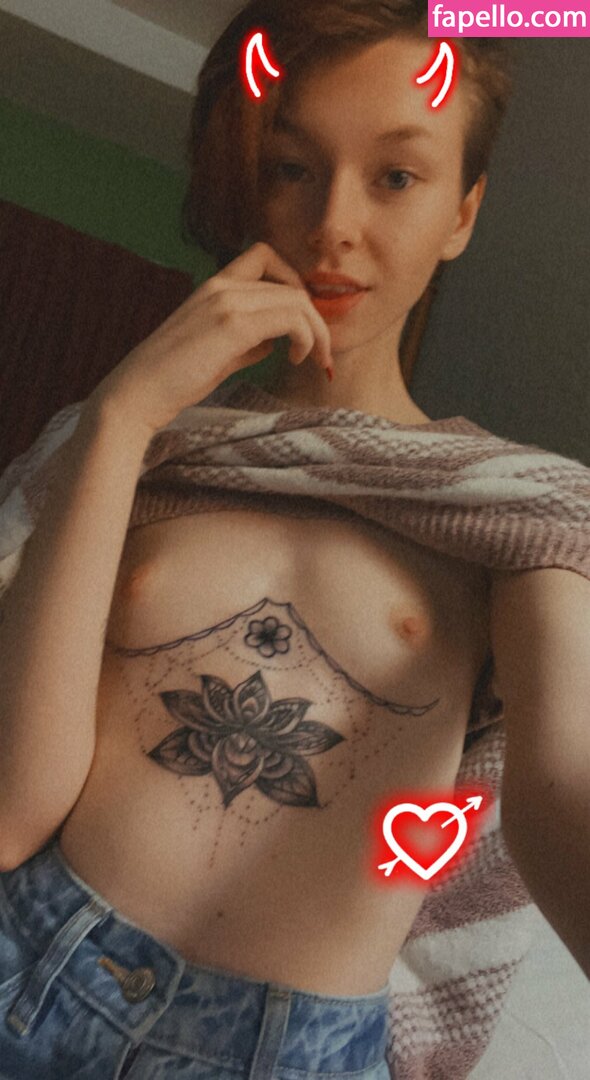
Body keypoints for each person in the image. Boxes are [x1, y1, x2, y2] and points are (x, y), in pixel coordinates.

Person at [1, 2, 588, 1078]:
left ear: (462, 211)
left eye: (395, 177)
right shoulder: (129, 448)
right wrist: (122, 417)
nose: (332, 226)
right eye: (289, 169)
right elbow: (11, 808)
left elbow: (561, 784)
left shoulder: (523, 506)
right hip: (26, 959)